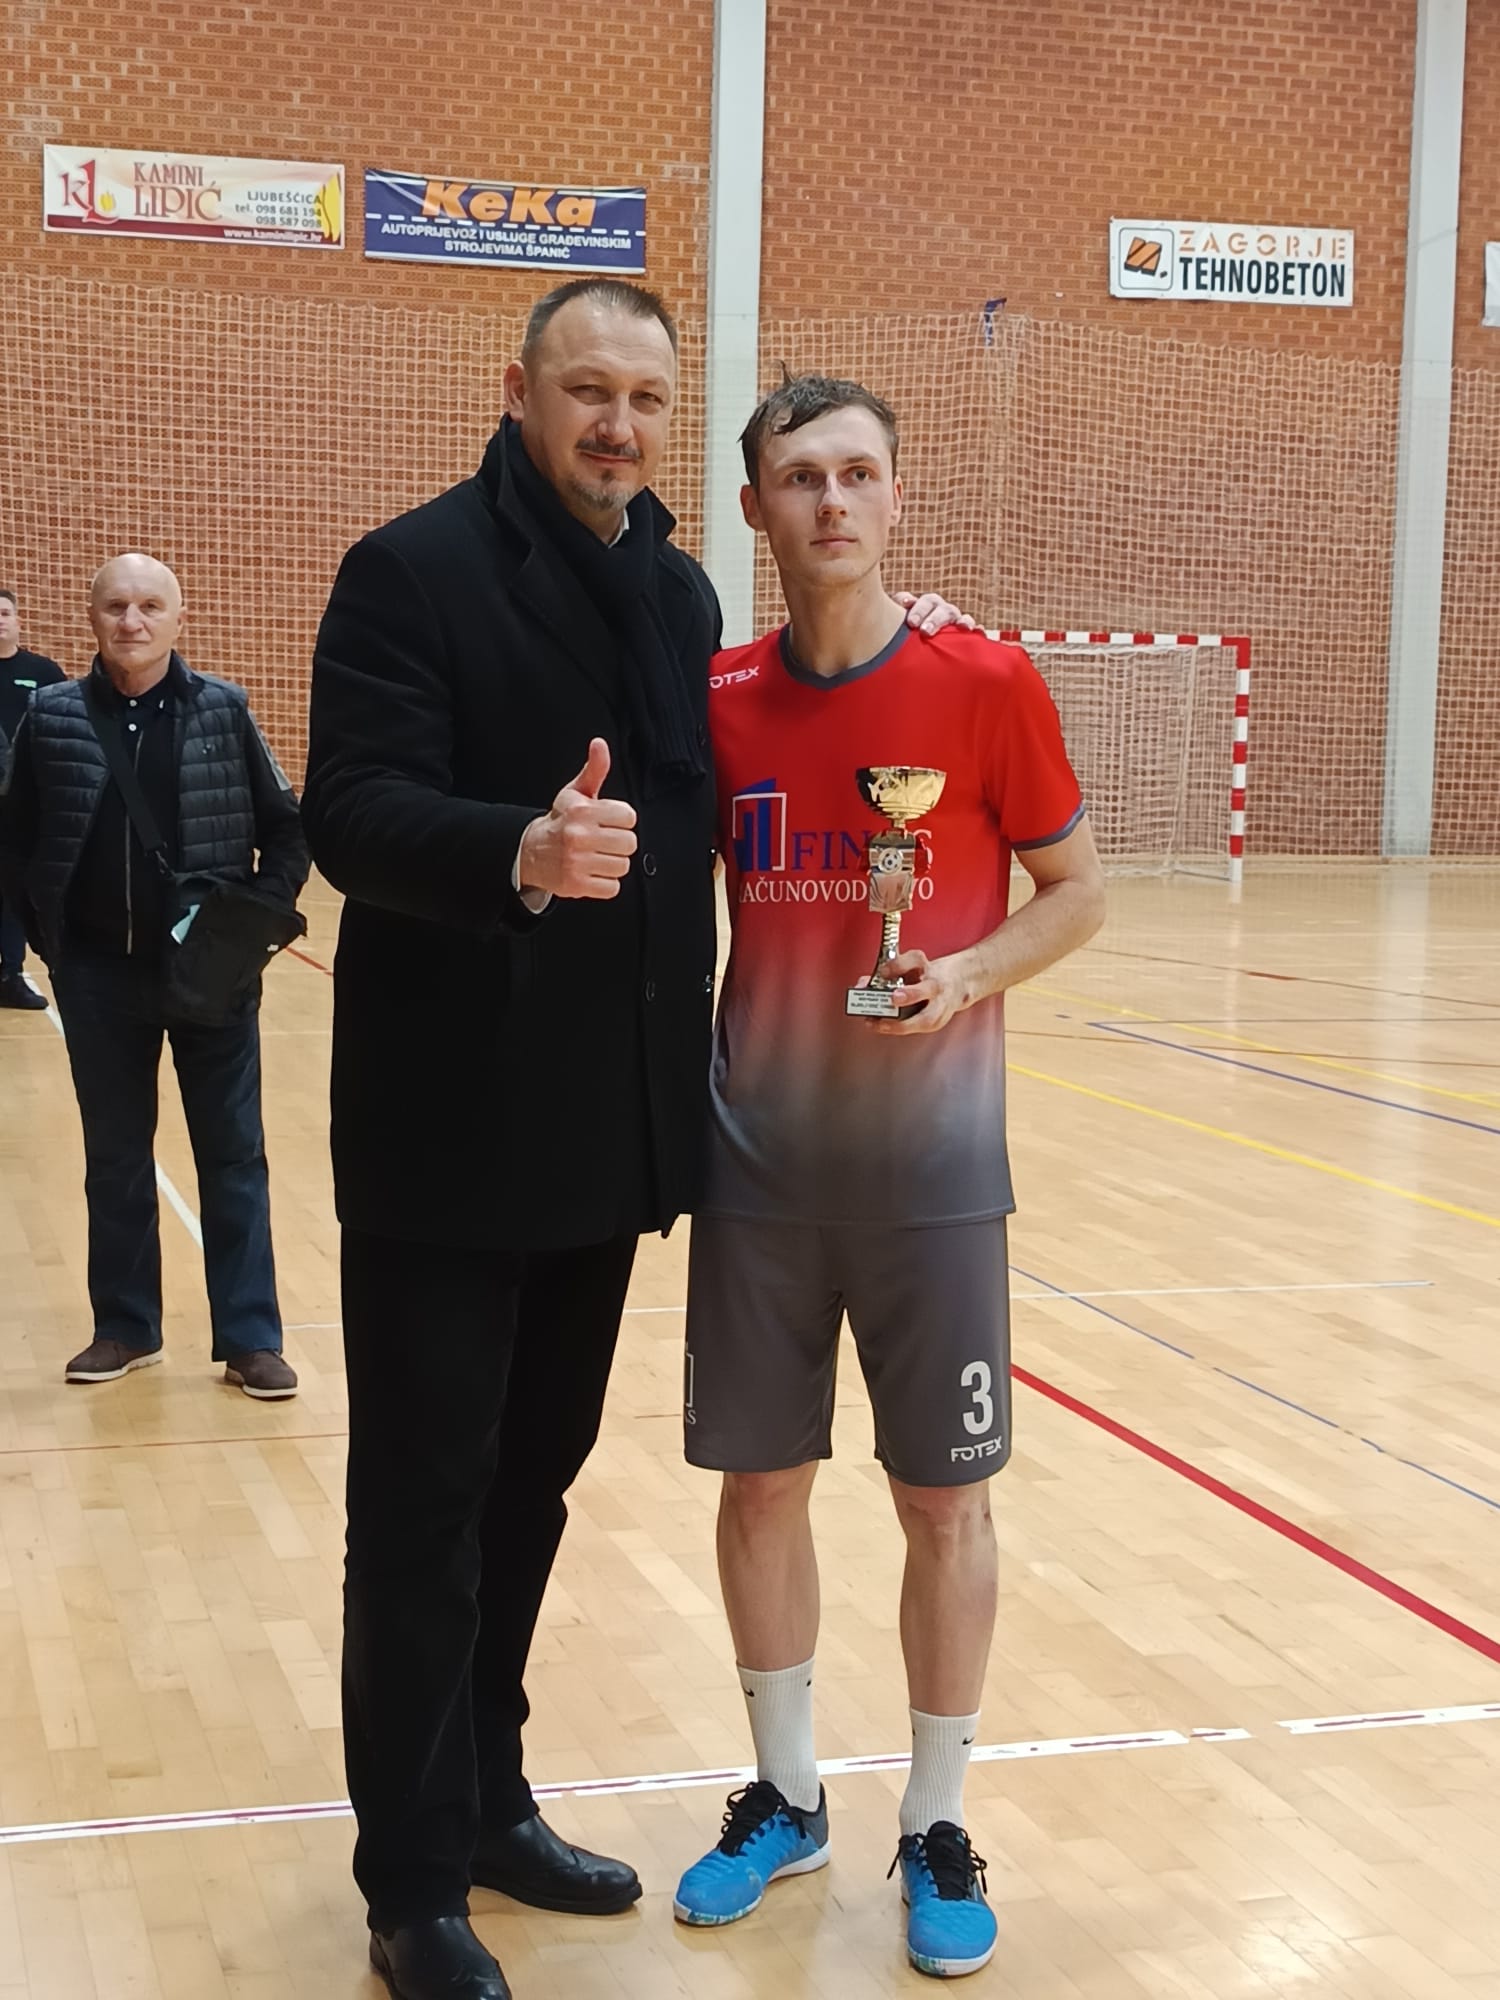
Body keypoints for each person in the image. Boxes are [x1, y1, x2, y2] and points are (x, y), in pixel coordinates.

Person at [302, 277, 967, 2000]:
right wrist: (515, 850)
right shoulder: (411, 571)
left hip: (608, 1142)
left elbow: (773, 744)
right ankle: (411, 1882)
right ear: (519, 391)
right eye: (587, 390)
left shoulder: (679, 595)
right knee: (424, 1513)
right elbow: (349, 811)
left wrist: (908, 638)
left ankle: (492, 1801)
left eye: (647, 399)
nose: (617, 425)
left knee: (529, 1490)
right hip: (450, 1139)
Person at [672, 375, 1106, 1980]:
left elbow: (1078, 891)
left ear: (898, 497)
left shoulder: (985, 678)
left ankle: (935, 1818)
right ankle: (787, 1795)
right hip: (757, 1172)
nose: (833, 502)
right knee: (759, 1486)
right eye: (801, 478)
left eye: (859, 473)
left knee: (944, 1499)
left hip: (935, 1175)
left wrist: (970, 972)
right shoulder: (715, 697)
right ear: (756, 510)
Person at [0, 554, 307, 1398]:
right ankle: (126, 1327)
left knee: (233, 1155)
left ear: (179, 619)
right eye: (115, 607)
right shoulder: (53, 716)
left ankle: (250, 1337)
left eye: (148, 606)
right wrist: (53, 942)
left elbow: (287, 830)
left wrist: (251, 924)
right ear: (91, 618)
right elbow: (14, 841)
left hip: (212, 977)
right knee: (115, 1157)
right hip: (98, 978)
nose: (131, 622)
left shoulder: (224, 711)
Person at [0, 587, 66, 1009]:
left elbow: (68, 726)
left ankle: (10, 974)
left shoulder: (43, 671)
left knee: (14, 887)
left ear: (18, 620)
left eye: (5, 612)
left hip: (23, 801)